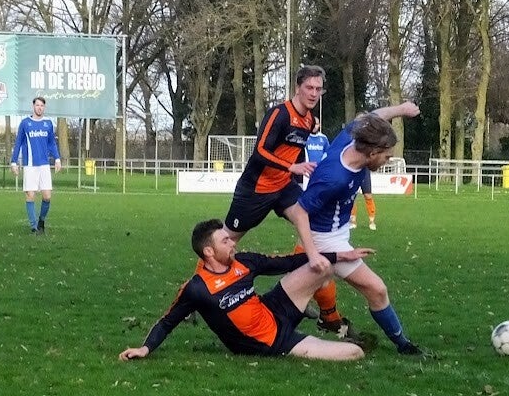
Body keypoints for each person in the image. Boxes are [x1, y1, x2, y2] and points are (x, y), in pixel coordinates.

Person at [119, 219, 371, 362]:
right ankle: (307, 317)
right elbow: (167, 321)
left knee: (323, 267)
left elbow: (287, 262)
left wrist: (341, 255)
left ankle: (310, 310)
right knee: (355, 352)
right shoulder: (197, 288)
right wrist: (145, 349)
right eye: (225, 241)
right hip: (273, 343)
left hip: (274, 309)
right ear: (208, 251)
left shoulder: (244, 262)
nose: (232, 243)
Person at [299, 103, 428, 356]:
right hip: (326, 239)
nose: (387, 161)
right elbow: (300, 211)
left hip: (336, 233)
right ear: (372, 152)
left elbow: (374, 116)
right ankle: (404, 346)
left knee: (298, 293)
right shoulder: (334, 177)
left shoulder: (352, 138)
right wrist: (314, 253)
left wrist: (402, 109)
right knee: (376, 289)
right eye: (386, 157)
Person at [223, 64, 329, 274]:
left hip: (284, 187)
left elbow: (297, 152)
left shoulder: (309, 121)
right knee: (226, 241)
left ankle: (303, 282)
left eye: (318, 89)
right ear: (297, 88)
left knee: (311, 223)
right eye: (309, 88)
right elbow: (260, 151)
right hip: (256, 189)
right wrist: (291, 167)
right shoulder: (280, 114)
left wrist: (298, 178)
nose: (314, 93)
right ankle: (199, 285)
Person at [10, 96, 61, 234]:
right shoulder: (25, 123)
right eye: (37, 105)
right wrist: (14, 161)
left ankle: (41, 221)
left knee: (47, 196)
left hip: (44, 165)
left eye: (42, 106)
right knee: (30, 195)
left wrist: (57, 158)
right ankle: (34, 227)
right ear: (33, 106)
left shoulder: (48, 124)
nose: (39, 108)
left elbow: (52, 143)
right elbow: (18, 143)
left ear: (44, 107)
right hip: (30, 165)